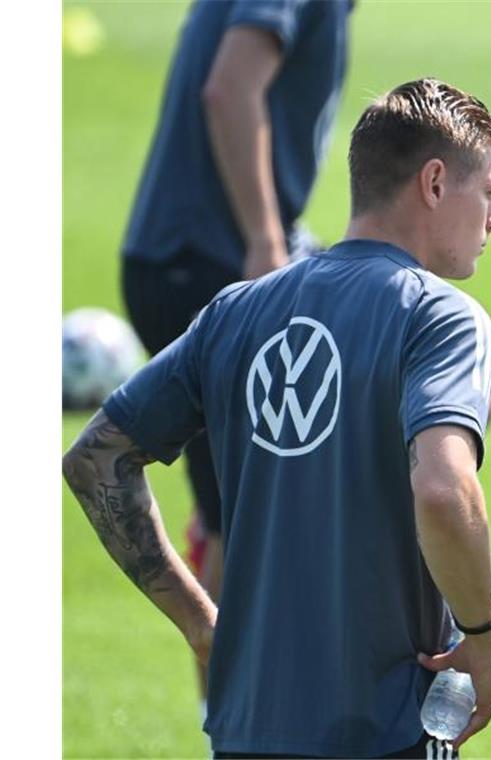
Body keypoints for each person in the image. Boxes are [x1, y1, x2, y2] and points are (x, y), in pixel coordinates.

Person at [63, 78, 491, 758]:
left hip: (246, 728)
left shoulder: (235, 313)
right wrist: (483, 636)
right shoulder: (439, 316)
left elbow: (97, 460)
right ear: (436, 182)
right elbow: (444, 491)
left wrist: (200, 625)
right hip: (382, 732)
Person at [117, 0, 351, 717]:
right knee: (250, 527)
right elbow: (231, 86)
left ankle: (241, 723)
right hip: (210, 259)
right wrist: (264, 246)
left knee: (247, 515)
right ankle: (241, 728)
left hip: (193, 254)